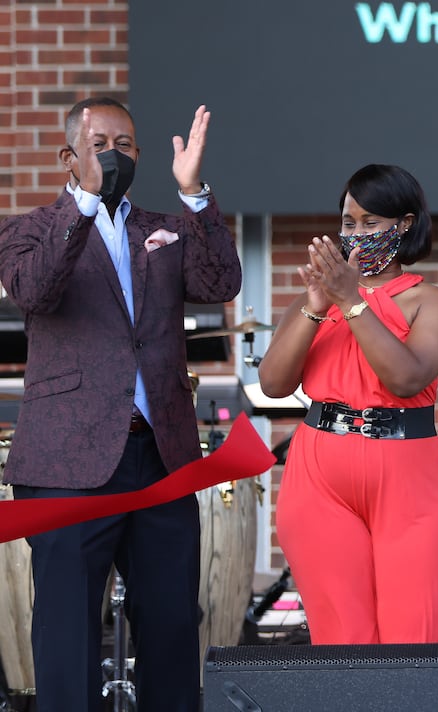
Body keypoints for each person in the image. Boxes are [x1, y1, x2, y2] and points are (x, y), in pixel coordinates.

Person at [0, 97, 241, 712]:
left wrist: (195, 195)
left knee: (170, 629)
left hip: (159, 455)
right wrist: (83, 203)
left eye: (126, 145)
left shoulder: (161, 225)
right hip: (67, 465)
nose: (115, 155)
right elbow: (37, 289)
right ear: (68, 157)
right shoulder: (28, 230)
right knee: (68, 635)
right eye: (99, 143)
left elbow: (221, 283)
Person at [258, 163, 438, 644]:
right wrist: (315, 305)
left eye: (371, 223)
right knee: (341, 638)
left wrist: (352, 302)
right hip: (319, 471)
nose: (356, 233)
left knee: (418, 637)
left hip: (407, 473)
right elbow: (272, 383)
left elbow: (407, 378)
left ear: (405, 224)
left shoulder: (432, 302)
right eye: (349, 223)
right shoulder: (317, 302)